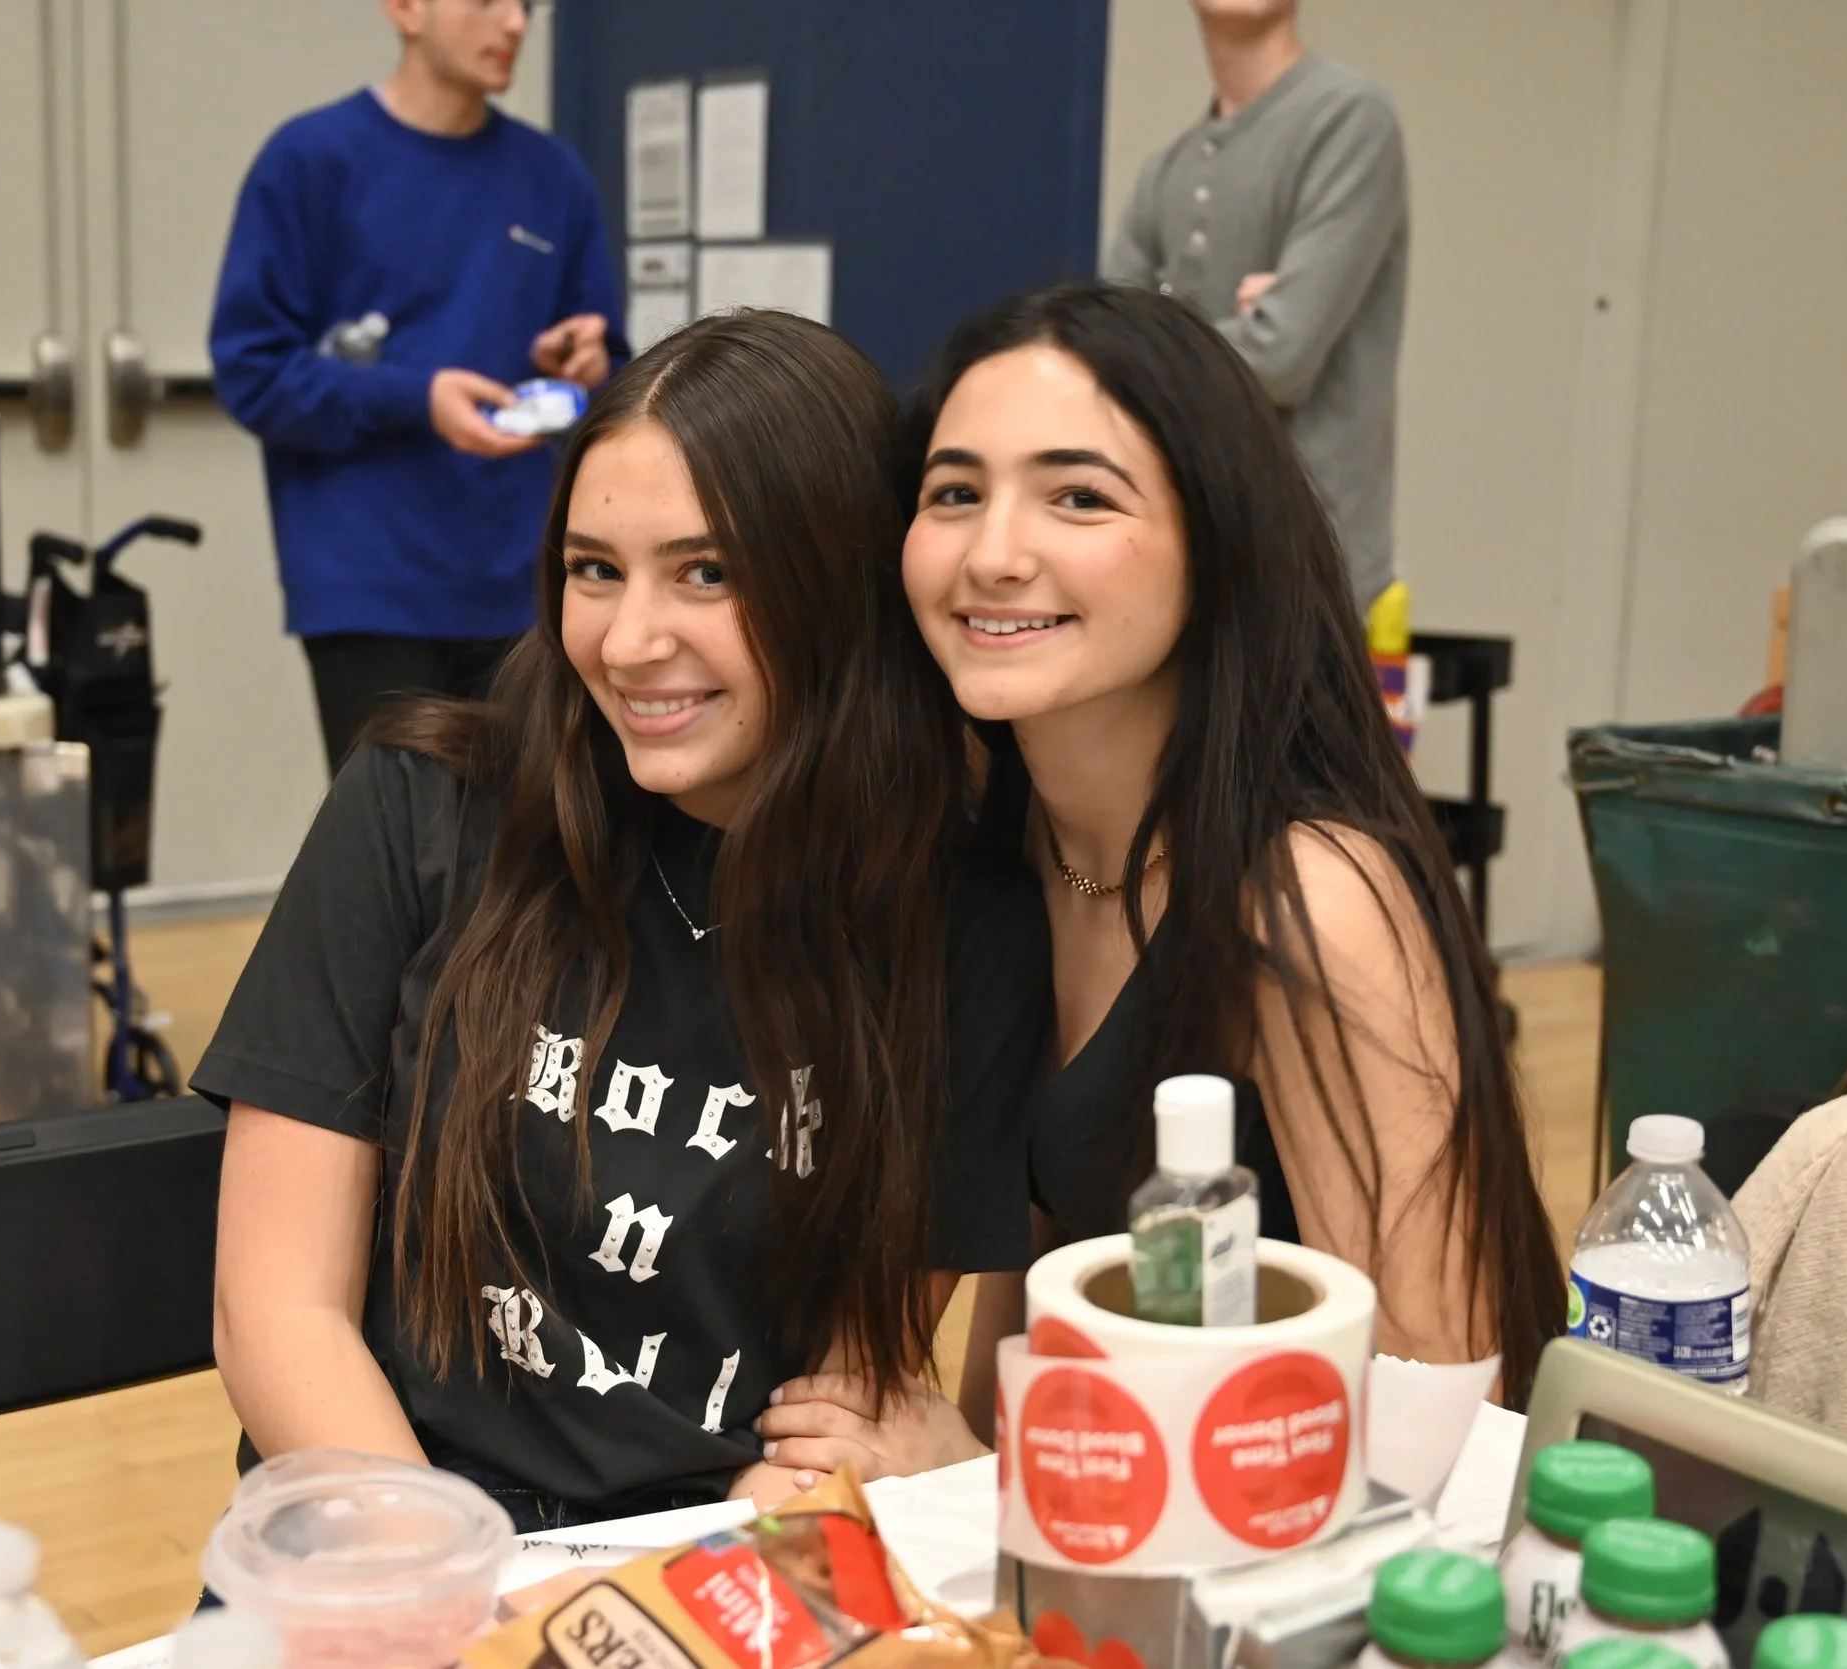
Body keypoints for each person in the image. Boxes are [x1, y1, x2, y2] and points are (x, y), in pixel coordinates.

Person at [193, 310, 1050, 1532]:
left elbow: (843, 1399)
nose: (630, 641)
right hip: (391, 1524)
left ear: (841, 587)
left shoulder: (958, 912)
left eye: (706, 573)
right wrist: (458, 1588)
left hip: (709, 1536)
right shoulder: (420, 805)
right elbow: (278, 1313)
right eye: (594, 569)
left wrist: (705, 1560)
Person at [752, 283, 1561, 1484]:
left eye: (1079, 497)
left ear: (1215, 544)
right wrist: (970, 1474)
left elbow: (1438, 1428)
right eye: (954, 494)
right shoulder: (1014, 856)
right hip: (1119, 1527)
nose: (993, 554)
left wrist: (978, 1476)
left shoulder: (1310, 899)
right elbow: (1035, 1341)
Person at [210, 0, 626, 770]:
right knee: (399, 832)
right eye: (487, 2)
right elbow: (250, 369)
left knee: (521, 833)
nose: (515, 24)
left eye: (527, 5)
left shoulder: (554, 178)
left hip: (521, 584)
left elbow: (612, 376)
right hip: (369, 586)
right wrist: (415, 399)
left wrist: (585, 363)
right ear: (404, 8)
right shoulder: (309, 162)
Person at [1104, 0, 1406, 609]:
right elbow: (1106, 360)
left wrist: (1169, 329)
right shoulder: (1166, 169)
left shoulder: (1350, 119)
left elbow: (1278, 359)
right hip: (1190, 556)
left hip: (1310, 564)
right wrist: (1240, 325)